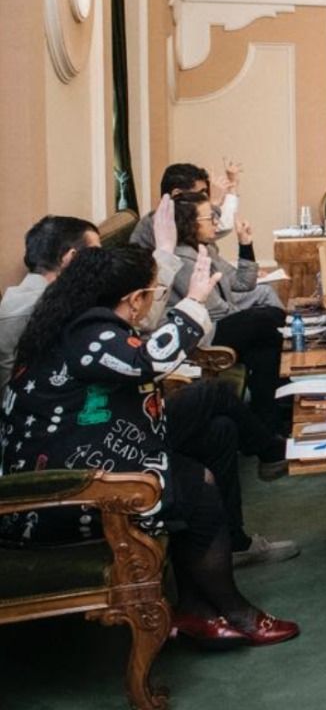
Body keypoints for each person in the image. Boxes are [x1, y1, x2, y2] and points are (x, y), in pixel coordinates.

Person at [0, 245, 298, 648]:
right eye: (153, 293)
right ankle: (235, 609)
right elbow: (149, 361)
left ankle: (196, 606)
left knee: (219, 430)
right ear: (133, 298)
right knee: (200, 483)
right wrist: (193, 301)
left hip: (97, 449)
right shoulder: (87, 334)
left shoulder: (77, 322)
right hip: (64, 488)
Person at [170, 200, 287, 432]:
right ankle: (281, 401)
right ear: (189, 225)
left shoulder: (206, 249)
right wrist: (249, 316)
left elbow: (243, 282)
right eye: (209, 218)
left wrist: (245, 244)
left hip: (222, 323)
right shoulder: (181, 259)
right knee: (268, 320)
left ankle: (269, 420)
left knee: (264, 350)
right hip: (204, 334)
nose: (216, 222)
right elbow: (217, 312)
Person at [1, 214, 99, 385]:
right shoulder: (30, 309)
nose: (100, 262)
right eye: (95, 253)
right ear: (71, 258)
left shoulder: (17, 301)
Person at [129, 160, 240, 248]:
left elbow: (223, 224)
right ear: (177, 194)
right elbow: (220, 227)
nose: (205, 198)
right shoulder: (163, 222)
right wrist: (214, 202)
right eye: (201, 193)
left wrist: (232, 186)